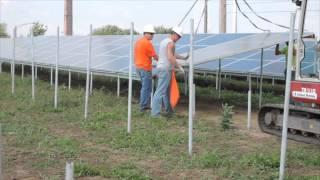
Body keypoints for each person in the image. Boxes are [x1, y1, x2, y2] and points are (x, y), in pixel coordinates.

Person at [151, 26, 188, 117]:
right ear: (175, 34)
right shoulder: (171, 43)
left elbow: (172, 54)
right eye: (178, 37)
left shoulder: (165, 41)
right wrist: (179, 66)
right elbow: (170, 57)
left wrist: (183, 57)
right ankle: (155, 114)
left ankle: (169, 112)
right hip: (165, 69)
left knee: (166, 92)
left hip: (162, 68)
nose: (179, 39)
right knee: (160, 91)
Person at [134, 25, 159, 112]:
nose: (152, 35)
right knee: (146, 88)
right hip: (145, 68)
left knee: (145, 87)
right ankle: (144, 107)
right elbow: (155, 56)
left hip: (138, 67)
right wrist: (163, 61)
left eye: (153, 34)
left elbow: (144, 55)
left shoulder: (138, 42)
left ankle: (144, 105)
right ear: (145, 33)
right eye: (151, 34)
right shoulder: (147, 43)